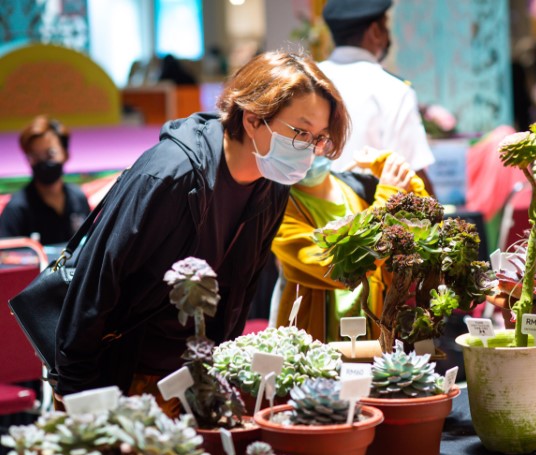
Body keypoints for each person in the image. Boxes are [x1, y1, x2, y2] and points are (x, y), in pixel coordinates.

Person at [53, 51, 349, 410]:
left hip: (188, 377)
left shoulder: (272, 185)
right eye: (300, 132)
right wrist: (75, 391)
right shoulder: (170, 174)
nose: (309, 150)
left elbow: (242, 286)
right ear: (253, 118)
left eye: (318, 138)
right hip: (114, 374)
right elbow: (97, 281)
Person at [271, 149, 425, 342]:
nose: (312, 148)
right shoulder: (276, 206)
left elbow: (426, 219)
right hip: (311, 344)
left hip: (374, 337)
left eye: (321, 136)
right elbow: (345, 267)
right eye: (300, 136)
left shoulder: (359, 188)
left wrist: (387, 166)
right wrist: (388, 198)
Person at [319, 0, 435, 191]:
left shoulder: (307, 80)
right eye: (385, 26)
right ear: (375, 31)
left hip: (309, 214)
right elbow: (412, 171)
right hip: (373, 214)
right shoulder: (394, 89)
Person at [0, 116, 90, 246]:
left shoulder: (78, 198)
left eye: (50, 154)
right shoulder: (17, 209)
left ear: (65, 154)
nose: (43, 162)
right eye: (35, 156)